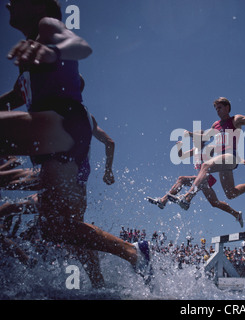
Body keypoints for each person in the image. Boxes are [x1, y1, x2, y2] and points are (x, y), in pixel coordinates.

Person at [0, 0, 150, 287]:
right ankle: (130, 256)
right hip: (65, 140)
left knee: (59, 223)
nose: (8, 3)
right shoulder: (31, 65)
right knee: (57, 228)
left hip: (63, 126)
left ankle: (116, 266)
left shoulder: (46, 27)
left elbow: (81, 46)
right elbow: (15, 97)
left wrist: (50, 50)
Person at [170, 97, 245, 210]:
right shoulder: (216, 125)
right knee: (231, 194)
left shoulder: (236, 119)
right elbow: (204, 137)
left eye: (220, 108)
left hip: (231, 157)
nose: (217, 111)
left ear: (227, 107)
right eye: (216, 109)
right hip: (221, 160)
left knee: (206, 166)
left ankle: (188, 197)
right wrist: (190, 134)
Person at [148, 137, 245, 227]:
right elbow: (181, 156)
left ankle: (167, 200)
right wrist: (179, 147)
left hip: (206, 177)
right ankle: (236, 214)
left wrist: (240, 159)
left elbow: (224, 152)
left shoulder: (209, 147)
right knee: (215, 203)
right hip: (200, 179)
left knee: (182, 179)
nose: (193, 141)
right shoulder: (195, 150)